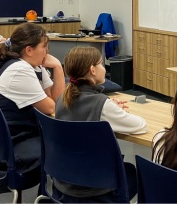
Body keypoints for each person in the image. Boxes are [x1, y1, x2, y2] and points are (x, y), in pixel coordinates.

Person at [0, 23, 65, 204]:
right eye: (44, 46)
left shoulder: (34, 66)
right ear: (29, 50)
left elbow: (57, 99)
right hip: (1, 151)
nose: (48, 51)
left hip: (4, 141)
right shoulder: (19, 69)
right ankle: (48, 199)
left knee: (55, 144)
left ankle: (46, 197)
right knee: (62, 150)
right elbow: (52, 108)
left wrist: (57, 67)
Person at [54, 46, 147, 202]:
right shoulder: (101, 104)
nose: (104, 68)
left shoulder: (62, 98)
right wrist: (116, 111)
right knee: (134, 173)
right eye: (101, 64)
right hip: (95, 185)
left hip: (65, 178)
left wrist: (109, 106)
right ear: (93, 70)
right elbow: (140, 125)